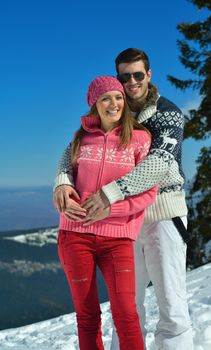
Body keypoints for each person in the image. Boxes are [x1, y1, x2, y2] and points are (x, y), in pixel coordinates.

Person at [54, 48, 194, 350]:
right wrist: (62, 181)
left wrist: (110, 193)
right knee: (128, 308)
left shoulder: (167, 113)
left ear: (149, 75)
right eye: (124, 76)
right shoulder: (115, 110)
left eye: (138, 75)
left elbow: (158, 163)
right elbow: (75, 148)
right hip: (121, 222)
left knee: (171, 302)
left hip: (162, 214)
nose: (131, 82)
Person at [57, 75, 158, 350]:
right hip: (75, 235)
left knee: (126, 314)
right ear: (95, 104)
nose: (113, 104)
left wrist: (110, 211)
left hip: (118, 240)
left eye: (118, 97)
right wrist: (62, 187)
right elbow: (65, 171)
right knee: (87, 316)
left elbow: (148, 192)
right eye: (105, 98)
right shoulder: (81, 137)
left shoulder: (139, 139)